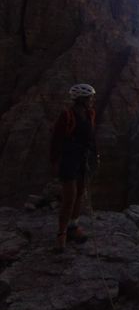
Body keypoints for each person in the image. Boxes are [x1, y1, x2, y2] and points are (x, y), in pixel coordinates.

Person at [50, 83, 99, 252]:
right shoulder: (67, 115)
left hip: (82, 158)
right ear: (81, 99)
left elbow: (91, 137)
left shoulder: (89, 113)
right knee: (69, 196)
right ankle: (61, 234)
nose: (92, 100)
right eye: (89, 98)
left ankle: (73, 227)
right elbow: (56, 140)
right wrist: (54, 162)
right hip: (68, 159)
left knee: (79, 194)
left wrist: (95, 155)